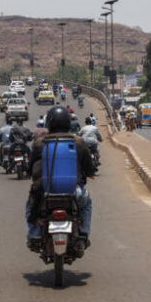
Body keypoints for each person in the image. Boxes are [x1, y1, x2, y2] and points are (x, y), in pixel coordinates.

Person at [26, 106, 96, 252]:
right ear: (68, 122)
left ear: (49, 122)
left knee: (30, 206)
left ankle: (34, 234)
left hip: (45, 191)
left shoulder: (39, 143)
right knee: (86, 204)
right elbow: (89, 168)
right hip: (73, 191)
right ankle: (83, 233)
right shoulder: (78, 141)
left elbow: (30, 166)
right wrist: (89, 173)